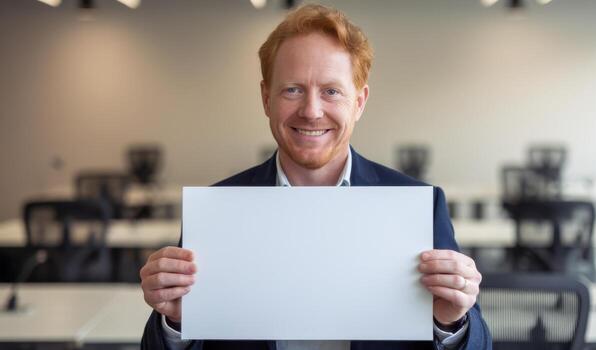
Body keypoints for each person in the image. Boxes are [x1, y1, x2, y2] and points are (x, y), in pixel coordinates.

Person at [140, 4, 491, 350]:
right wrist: (175, 323)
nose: (311, 111)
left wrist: (451, 324)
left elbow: (478, 344)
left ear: (359, 102)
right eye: (292, 89)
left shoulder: (422, 206)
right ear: (266, 98)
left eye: (331, 91)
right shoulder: (216, 211)